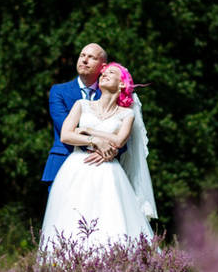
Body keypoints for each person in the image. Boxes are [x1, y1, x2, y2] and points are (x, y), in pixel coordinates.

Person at [38, 61, 157, 255]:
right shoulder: (82, 105)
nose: (104, 75)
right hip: (77, 167)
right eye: (103, 73)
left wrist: (88, 131)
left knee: (109, 222)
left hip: (108, 173)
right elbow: (66, 135)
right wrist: (95, 141)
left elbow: (119, 141)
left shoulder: (127, 114)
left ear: (122, 84)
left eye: (111, 73)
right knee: (70, 220)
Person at [41, 42, 109, 185]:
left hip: (101, 167)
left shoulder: (109, 94)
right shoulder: (58, 91)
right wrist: (98, 142)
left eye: (91, 57)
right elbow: (66, 129)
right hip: (63, 165)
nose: (84, 60)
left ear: (103, 67)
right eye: (82, 55)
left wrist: (112, 151)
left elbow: (120, 132)